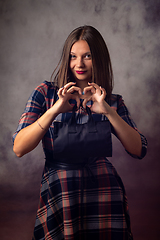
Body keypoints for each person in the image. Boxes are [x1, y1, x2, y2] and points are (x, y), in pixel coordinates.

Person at [13, 25, 147, 240]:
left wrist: (108, 112)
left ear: (99, 59)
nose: (79, 64)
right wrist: (56, 109)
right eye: (73, 56)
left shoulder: (112, 100)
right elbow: (19, 148)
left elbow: (139, 149)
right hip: (61, 193)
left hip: (104, 195)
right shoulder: (45, 93)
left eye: (88, 56)